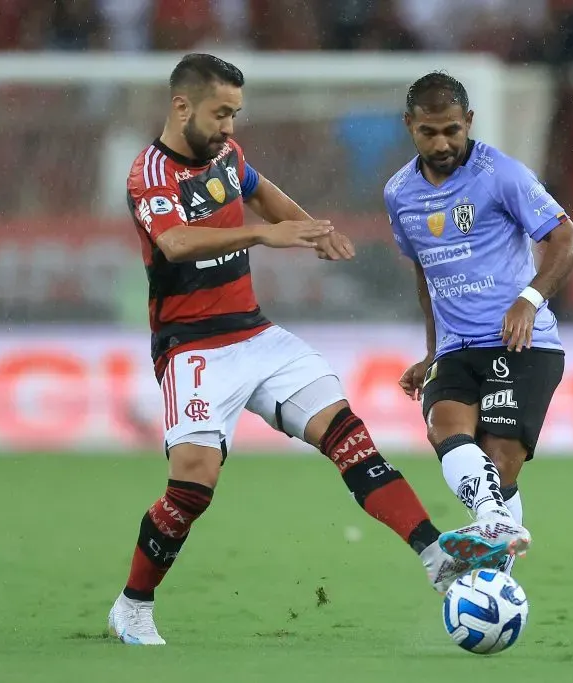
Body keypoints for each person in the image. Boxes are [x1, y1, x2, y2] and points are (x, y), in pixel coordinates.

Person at [109, 54, 499, 646]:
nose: (230, 127)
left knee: (349, 436)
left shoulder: (225, 157)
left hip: (256, 334)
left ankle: (433, 555)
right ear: (181, 106)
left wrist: (311, 227)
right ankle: (133, 604)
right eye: (221, 113)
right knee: (192, 488)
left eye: (236, 114)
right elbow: (174, 242)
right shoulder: (150, 173)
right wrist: (266, 234)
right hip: (193, 348)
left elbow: (263, 195)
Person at [385, 72, 573, 573]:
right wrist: (432, 350)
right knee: (442, 426)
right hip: (456, 348)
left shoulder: (502, 173)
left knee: (499, 456)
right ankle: (495, 523)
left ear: (468, 121)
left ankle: (493, 553)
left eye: (452, 129)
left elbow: (568, 239)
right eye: (429, 132)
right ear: (409, 125)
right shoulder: (399, 194)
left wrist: (530, 298)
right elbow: (425, 273)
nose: (443, 142)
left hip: (523, 344)